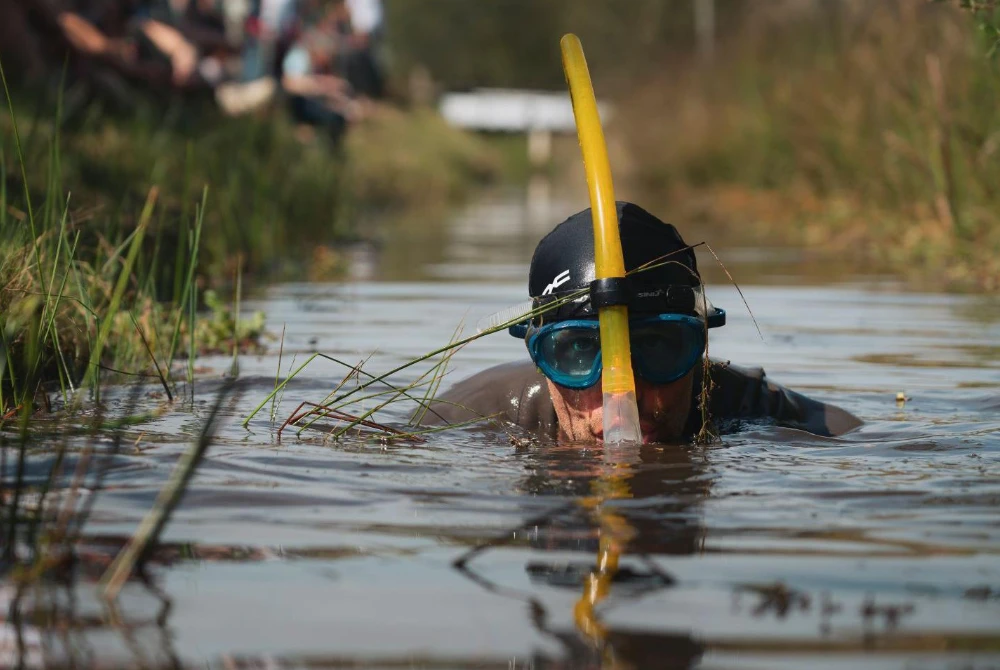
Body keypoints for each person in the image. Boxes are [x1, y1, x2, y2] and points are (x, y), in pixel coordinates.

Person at [429, 202, 862, 444]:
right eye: (578, 353)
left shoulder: (749, 406)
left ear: (700, 348)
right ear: (538, 353)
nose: (624, 393)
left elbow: (858, 438)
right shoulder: (468, 417)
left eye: (658, 346)